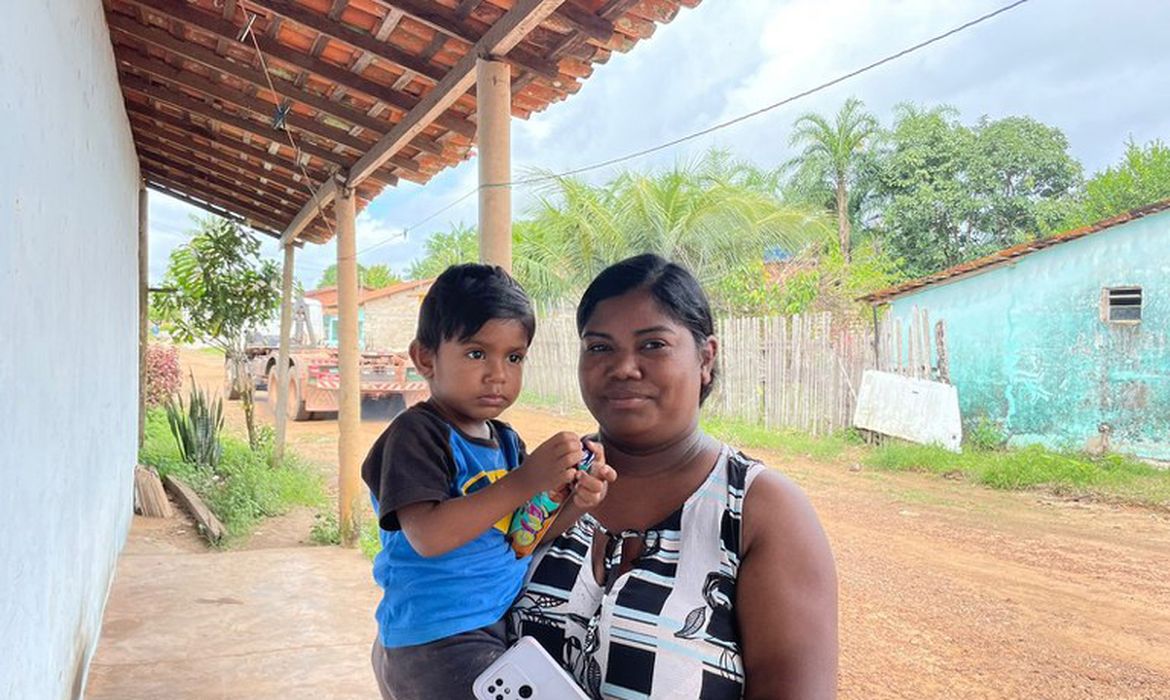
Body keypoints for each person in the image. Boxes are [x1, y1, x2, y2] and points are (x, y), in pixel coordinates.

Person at [510, 254, 838, 699]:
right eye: (600, 347)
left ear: (706, 357)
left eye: (653, 345)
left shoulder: (759, 510)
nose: (624, 367)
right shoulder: (546, 478)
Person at [361, 264, 616, 700]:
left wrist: (575, 501)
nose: (498, 373)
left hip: (483, 627)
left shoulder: (505, 441)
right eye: (477, 353)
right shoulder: (417, 435)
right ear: (426, 358)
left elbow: (523, 537)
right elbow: (429, 536)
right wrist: (525, 479)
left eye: (514, 357)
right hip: (436, 638)